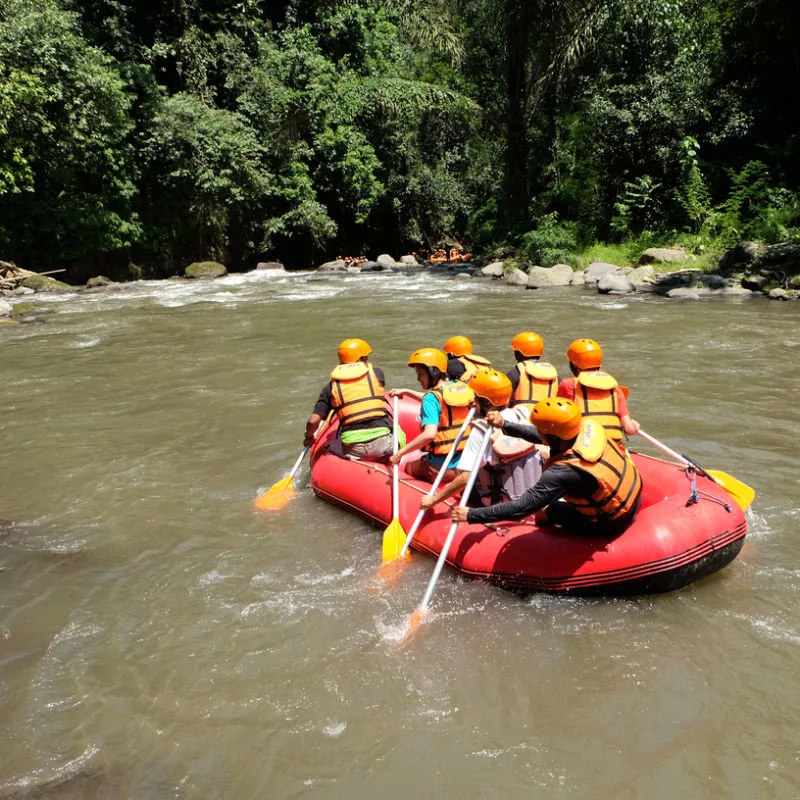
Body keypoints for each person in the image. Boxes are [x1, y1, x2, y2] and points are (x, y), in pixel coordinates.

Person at [451, 397, 643, 538]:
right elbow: (542, 435)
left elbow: (522, 507)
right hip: (633, 501)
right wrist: (505, 425)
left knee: (544, 509)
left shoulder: (564, 471)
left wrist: (471, 515)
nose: (539, 433)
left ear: (552, 437)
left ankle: (548, 545)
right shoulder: (586, 428)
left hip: (612, 522)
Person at [420, 368, 545, 510]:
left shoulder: (482, 431)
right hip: (533, 498)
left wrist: (433, 500)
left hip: (500, 505)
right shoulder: (522, 414)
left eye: (475, 396)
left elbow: (465, 478)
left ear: (486, 402)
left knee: (463, 482)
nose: (472, 400)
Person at [389, 347, 474, 483]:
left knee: (409, 467)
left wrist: (400, 453)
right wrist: (407, 392)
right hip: (465, 466)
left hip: (441, 470)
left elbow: (429, 435)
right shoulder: (457, 387)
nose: (418, 379)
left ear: (433, 372)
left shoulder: (431, 399)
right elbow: (438, 399)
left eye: (421, 374)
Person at [304, 338, 395, 462]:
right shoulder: (377, 373)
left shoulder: (331, 387)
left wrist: (308, 437)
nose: (367, 360)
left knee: (329, 447)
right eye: (366, 357)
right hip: (384, 446)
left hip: (353, 450)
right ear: (361, 359)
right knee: (397, 429)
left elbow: (313, 421)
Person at [557, 338, 640, 442]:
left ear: (573, 365)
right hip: (612, 448)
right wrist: (634, 425)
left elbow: (556, 419)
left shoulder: (568, 385)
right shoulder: (615, 388)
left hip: (582, 446)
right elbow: (629, 429)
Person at [506, 331, 559, 413]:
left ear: (518, 354)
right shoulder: (555, 377)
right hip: (548, 418)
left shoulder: (514, 374)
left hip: (521, 420)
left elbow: (504, 403)